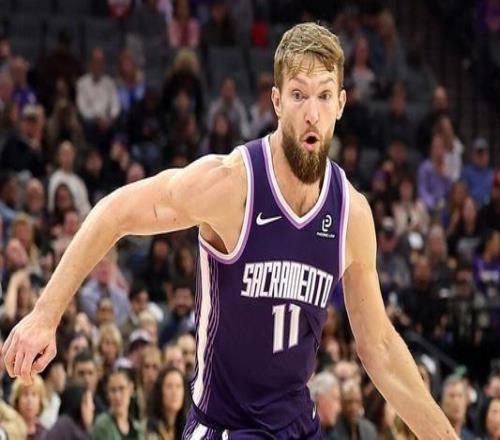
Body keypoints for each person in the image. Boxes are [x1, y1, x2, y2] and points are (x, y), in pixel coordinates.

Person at [2, 22, 456, 439]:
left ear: (341, 103)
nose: (312, 113)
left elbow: (379, 348)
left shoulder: (351, 213)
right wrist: (45, 315)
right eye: (299, 95)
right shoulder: (233, 184)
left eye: (323, 96)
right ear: (276, 102)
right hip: (225, 427)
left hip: (298, 427)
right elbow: (115, 211)